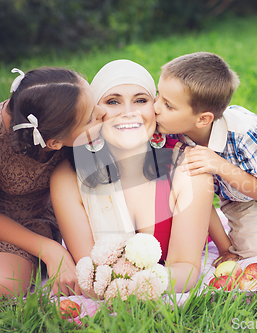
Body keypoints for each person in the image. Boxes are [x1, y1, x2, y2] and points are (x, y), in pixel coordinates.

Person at [0, 67, 106, 307]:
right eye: (92, 116)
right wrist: (52, 251)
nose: (102, 112)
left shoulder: (66, 121)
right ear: (55, 143)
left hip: (29, 215)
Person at [50, 60, 213, 294]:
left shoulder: (188, 165)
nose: (128, 112)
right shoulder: (68, 176)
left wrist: (138, 287)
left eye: (140, 100)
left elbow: (186, 268)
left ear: (155, 107)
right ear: (94, 113)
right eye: (113, 101)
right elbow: (90, 272)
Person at [153, 52, 257, 264]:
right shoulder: (172, 136)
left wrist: (218, 164)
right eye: (157, 96)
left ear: (203, 119)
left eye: (168, 105)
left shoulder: (244, 132)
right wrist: (225, 249)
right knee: (254, 256)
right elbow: (198, 200)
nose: (155, 107)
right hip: (237, 192)